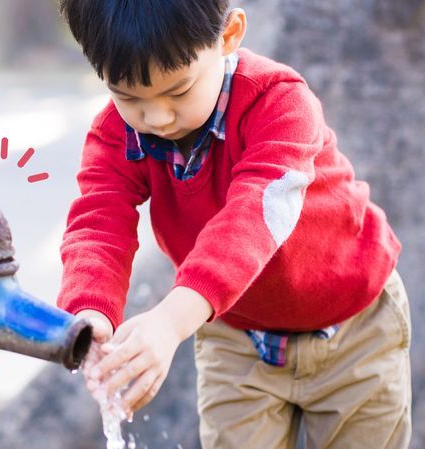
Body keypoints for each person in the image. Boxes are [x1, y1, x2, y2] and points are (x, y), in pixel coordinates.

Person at [55, 1, 411, 448]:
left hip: (353, 329)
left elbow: (256, 214)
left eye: (179, 91)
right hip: (237, 338)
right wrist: (90, 311)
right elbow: (98, 221)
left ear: (229, 34)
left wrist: (169, 322)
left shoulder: (280, 103)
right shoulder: (117, 134)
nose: (157, 118)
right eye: (128, 96)